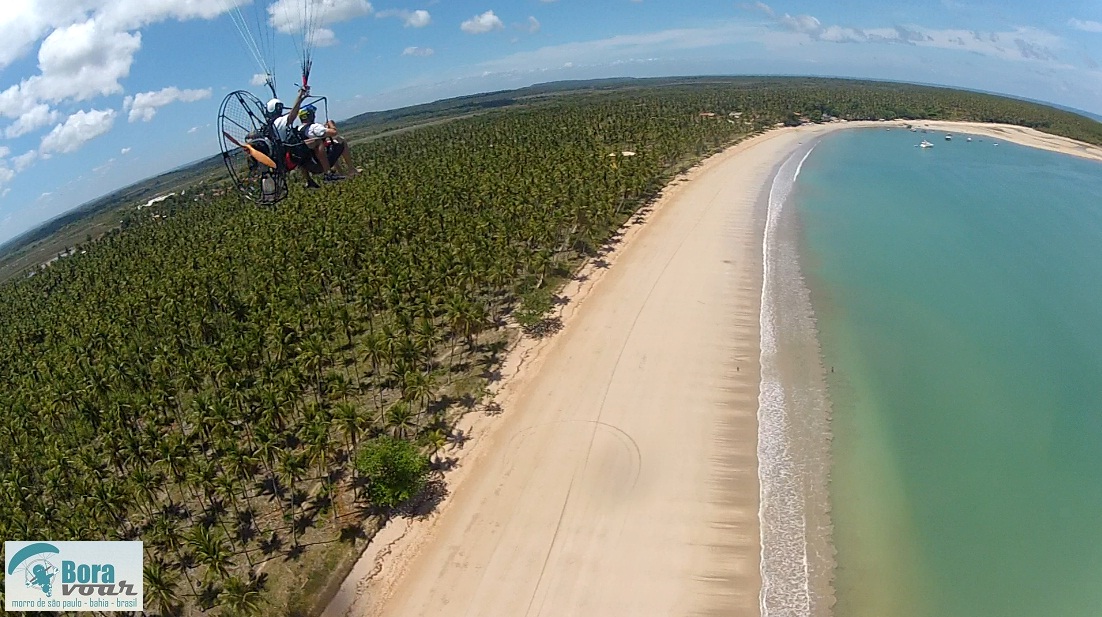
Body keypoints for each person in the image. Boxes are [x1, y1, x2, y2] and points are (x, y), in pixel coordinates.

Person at [297, 104, 358, 180]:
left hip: (310, 165)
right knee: (341, 140)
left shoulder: (298, 130)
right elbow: (334, 132)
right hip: (320, 164)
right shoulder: (314, 127)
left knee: (329, 145)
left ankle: (340, 172)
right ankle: (351, 170)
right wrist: (331, 124)